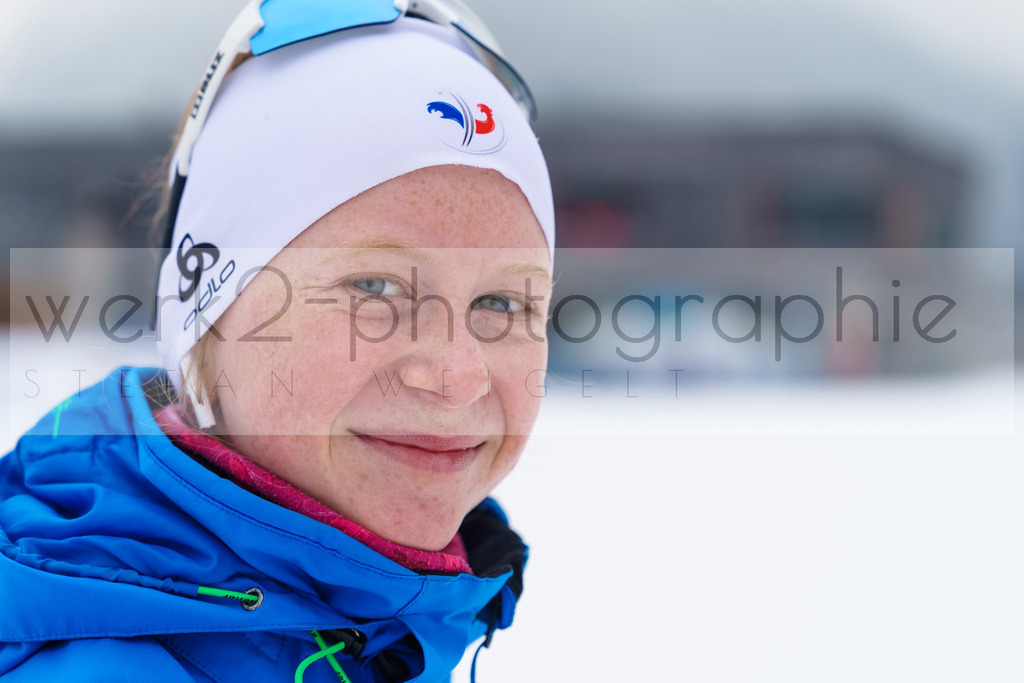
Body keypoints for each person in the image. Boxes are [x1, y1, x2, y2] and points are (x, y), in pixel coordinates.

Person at [0, 1, 554, 681]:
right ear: (213, 306)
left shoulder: (398, 626)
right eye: (376, 288)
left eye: (502, 301)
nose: (458, 374)